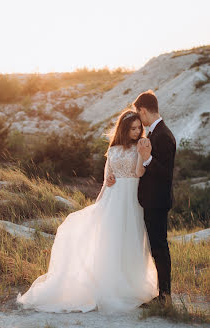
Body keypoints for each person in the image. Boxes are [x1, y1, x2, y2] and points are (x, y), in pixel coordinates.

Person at [16, 109, 159, 314]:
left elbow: (138, 173)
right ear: (124, 129)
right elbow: (106, 180)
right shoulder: (113, 150)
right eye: (132, 129)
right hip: (114, 198)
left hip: (132, 199)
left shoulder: (141, 146)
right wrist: (98, 205)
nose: (137, 132)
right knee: (111, 241)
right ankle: (109, 285)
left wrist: (142, 153)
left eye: (139, 128)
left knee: (131, 240)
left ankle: (131, 284)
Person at [107, 90, 176, 305]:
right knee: (154, 247)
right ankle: (161, 293)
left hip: (157, 201)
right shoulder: (155, 134)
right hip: (149, 201)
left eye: (139, 115)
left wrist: (146, 159)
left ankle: (164, 296)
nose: (140, 124)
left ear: (143, 111)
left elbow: (165, 173)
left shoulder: (163, 135)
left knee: (159, 247)